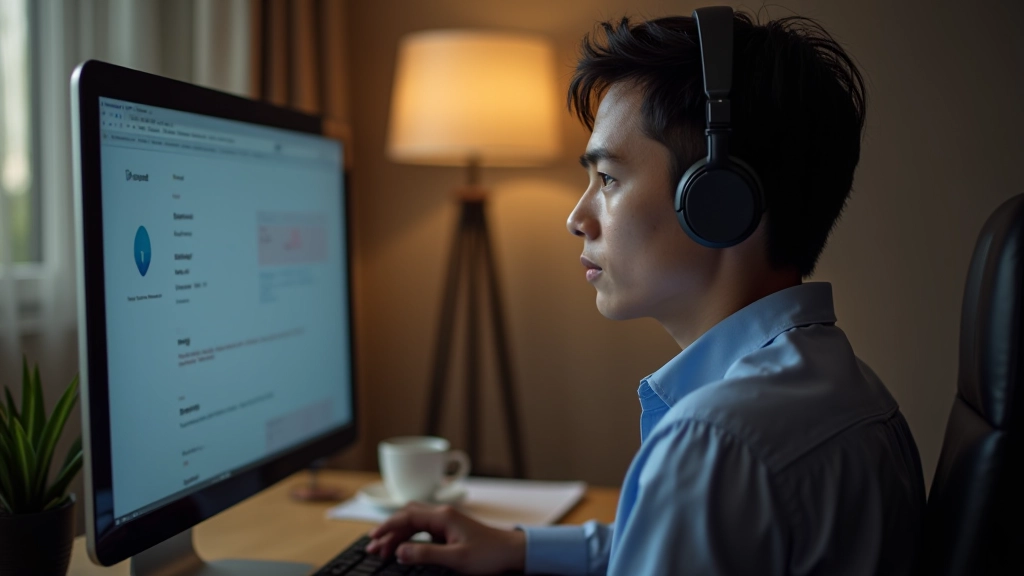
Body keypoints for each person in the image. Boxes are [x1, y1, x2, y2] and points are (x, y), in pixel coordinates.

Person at [366, 7, 926, 575]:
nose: (577, 218)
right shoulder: (855, 390)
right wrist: (522, 547)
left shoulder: (715, 444)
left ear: (717, 201)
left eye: (607, 179)